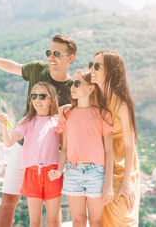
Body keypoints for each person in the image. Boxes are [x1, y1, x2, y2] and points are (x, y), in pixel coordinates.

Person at [0, 34, 77, 227]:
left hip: (52, 155)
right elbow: (12, 67)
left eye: (57, 54)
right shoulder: (37, 69)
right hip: (22, 145)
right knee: (9, 199)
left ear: (71, 57)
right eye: (49, 52)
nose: (51, 57)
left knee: (53, 207)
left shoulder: (73, 89)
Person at [48, 70, 114, 227]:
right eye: (72, 83)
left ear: (91, 88)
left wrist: (108, 184)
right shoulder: (67, 115)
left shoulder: (103, 115)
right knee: (78, 221)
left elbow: (109, 151)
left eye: (77, 83)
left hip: (97, 173)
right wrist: (59, 170)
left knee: (96, 221)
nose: (73, 87)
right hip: (72, 172)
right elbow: (64, 149)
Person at [0, 82, 62, 227]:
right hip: (32, 175)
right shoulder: (26, 121)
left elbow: (66, 149)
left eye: (42, 96)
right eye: (34, 96)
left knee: (53, 221)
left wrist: (60, 170)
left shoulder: (58, 122)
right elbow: (8, 143)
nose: (37, 100)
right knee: (35, 222)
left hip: (53, 173)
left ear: (51, 99)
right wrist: (4, 125)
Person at [89, 50, 140, 226]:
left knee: (122, 216)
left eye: (97, 66)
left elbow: (129, 145)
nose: (92, 70)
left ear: (110, 71)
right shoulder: (94, 97)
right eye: (91, 65)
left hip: (122, 164)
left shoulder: (121, 103)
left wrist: (127, 182)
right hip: (100, 164)